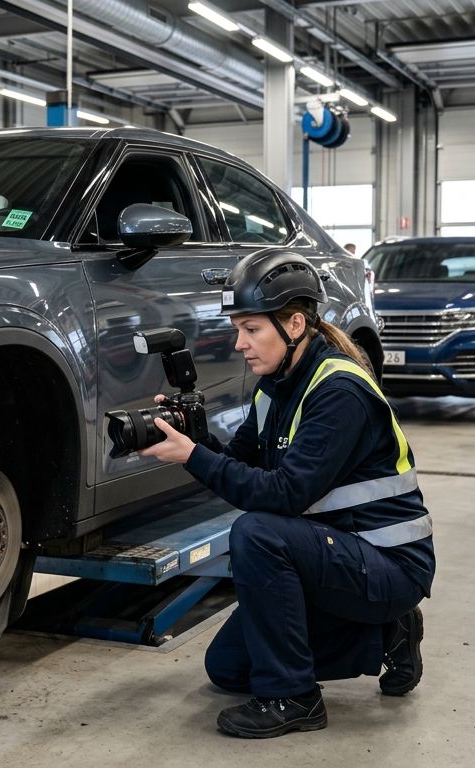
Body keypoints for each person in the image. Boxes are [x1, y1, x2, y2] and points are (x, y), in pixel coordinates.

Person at [138, 252, 435, 739]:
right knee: (228, 668)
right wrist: (194, 437)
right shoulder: (275, 387)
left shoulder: (338, 391)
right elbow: (241, 463)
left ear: (295, 324)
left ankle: (294, 698)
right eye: (238, 329)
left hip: (388, 563)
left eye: (252, 329)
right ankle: (386, 634)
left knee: (257, 532)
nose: (240, 343)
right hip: (334, 554)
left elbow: (284, 494)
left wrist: (193, 456)